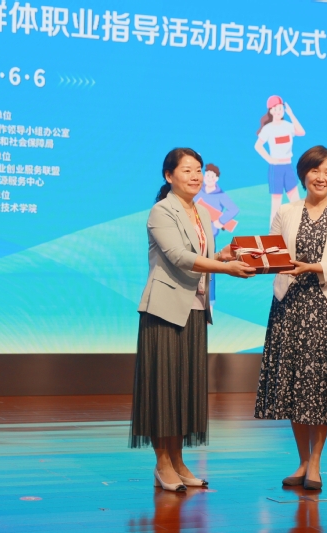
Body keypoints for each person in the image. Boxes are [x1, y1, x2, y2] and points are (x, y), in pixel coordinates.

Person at [131, 147, 256, 492]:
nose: (195, 176)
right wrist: (226, 268)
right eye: (187, 170)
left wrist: (222, 256)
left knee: (185, 390)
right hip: (164, 310)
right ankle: (162, 464)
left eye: (198, 170)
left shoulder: (201, 211)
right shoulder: (161, 210)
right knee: (162, 391)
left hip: (196, 309)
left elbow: (201, 256)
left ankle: (179, 461)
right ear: (169, 176)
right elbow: (179, 256)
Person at [254, 146, 327, 491]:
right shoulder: (285, 211)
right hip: (290, 306)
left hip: (325, 307)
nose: (321, 177)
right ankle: (301, 460)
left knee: (320, 386)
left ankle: (316, 463)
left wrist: (310, 267)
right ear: (303, 174)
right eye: (315, 170)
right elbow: (271, 254)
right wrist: (249, 259)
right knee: (295, 386)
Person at [254, 95, 306, 225]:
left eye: (281, 108)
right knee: (276, 204)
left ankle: (299, 230)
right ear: (271, 111)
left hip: (288, 167)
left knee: (296, 201)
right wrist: (270, 159)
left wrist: (291, 114)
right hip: (276, 169)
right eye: (275, 109)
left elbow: (301, 132)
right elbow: (258, 146)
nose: (278, 111)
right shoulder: (268, 129)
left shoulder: (288, 126)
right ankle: (273, 234)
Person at [194, 163, 240, 306]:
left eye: (212, 176)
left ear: (217, 178)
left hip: (209, 237)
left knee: (210, 268)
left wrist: (221, 221)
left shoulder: (220, 195)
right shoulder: (197, 191)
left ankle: (209, 302)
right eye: (207, 175)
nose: (209, 178)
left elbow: (233, 209)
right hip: (192, 235)